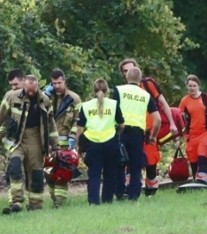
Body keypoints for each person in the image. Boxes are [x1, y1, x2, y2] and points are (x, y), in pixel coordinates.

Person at [0, 75, 59, 213]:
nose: (30, 93)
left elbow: (51, 125)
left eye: (33, 91)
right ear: (24, 86)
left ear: (37, 87)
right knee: (15, 166)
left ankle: (35, 205)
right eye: (28, 90)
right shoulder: (12, 97)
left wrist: (55, 145)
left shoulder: (45, 101)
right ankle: (16, 202)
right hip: (16, 140)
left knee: (36, 173)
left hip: (35, 138)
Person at [118, 58, 177, 196]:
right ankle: (129, 190)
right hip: (131, 130)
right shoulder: (123, 89)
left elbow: (162, 102)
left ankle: (151, 189)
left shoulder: (148, 84)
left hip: (149, 131)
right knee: (129, 161)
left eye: (131, 70)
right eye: (125, 71)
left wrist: (172, 122)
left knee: (151, 161)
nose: (128, 73)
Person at [114, 66, 161, 201]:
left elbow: (113, 110)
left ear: (127, 77)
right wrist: (152, 136)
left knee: (120, 163)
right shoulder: (145, 95)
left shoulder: (119, 90)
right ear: (140, 79)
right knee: (135, 166)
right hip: (137, 133)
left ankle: (119, 193)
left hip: (120, 131)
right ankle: (134, 195)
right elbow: (157, 119)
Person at [76, 79, 125, 205]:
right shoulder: (114, 104)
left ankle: (93, 202)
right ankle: (107, 200)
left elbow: (80, 128)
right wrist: (116, 130)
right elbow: (121, 124)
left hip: (92, 144)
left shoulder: (86, 106)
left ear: (93, 90)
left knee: (94, 175)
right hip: (110, 143)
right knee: (110, 173)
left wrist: (79, 146)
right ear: (107, 90)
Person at [43, 69, 82, 208]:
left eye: (59, 83)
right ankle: (55, 199)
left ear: (64, 81)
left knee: (63, 174)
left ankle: (59, 203)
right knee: (49, 174)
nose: (57, 86)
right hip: (48, 144)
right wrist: (43, 96)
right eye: (54, 83)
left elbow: (78, 120)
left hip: (66, 145)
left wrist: (73, 137)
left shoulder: (74, 99)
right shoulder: (46, 97)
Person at [178, 74, 207, 185]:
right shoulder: (185, 101)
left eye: (194, 86)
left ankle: (203, 181)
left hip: (205, 132)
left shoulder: (206, 97)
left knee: (202, 153)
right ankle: (196, 181)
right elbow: (178, 115)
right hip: (191, 134)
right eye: (190, 86)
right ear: (187, 86)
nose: (192, 88)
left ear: (198, 85)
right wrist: (179, 134)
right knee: (193, 158)